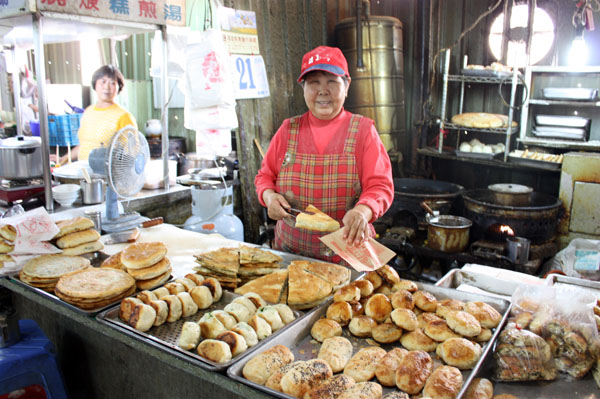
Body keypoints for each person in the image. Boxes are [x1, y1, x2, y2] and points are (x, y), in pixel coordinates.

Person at [254, 46, 394, 263]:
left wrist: (363, 212)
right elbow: (264, 177)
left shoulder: (363, 131)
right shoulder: (287, 130)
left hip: (348, 256)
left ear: (346, 86)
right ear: (303, 88)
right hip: (292, 255)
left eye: (331, 81)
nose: (322, 90)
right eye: (314, 83)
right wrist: (269, 197)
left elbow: (380, 186)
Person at [53, 65, 137, 164]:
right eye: (103, 81)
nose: (107, 87)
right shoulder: (88, 112)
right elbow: (84, 145)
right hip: (84, 174)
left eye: (113, 83)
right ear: (95, 84)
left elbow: (132, 153)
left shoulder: (124, 117)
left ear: (119, 87)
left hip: (108, 176)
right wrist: (64, 159)